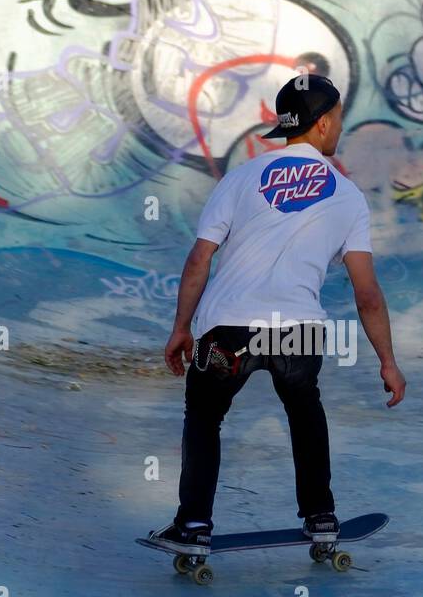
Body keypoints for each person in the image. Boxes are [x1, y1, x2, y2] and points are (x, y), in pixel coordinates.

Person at [155, 74, 406, 548]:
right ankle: (322, 517)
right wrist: (388, 362)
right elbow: (367, 293)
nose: (339, 129)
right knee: (304, 409)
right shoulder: (348, 196)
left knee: (205, 416)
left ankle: (193, 524)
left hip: (227, 330)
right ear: (323, 123)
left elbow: (198, 259)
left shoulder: (241, 177)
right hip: (300, 331)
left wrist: (181, 328)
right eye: (338, 120)